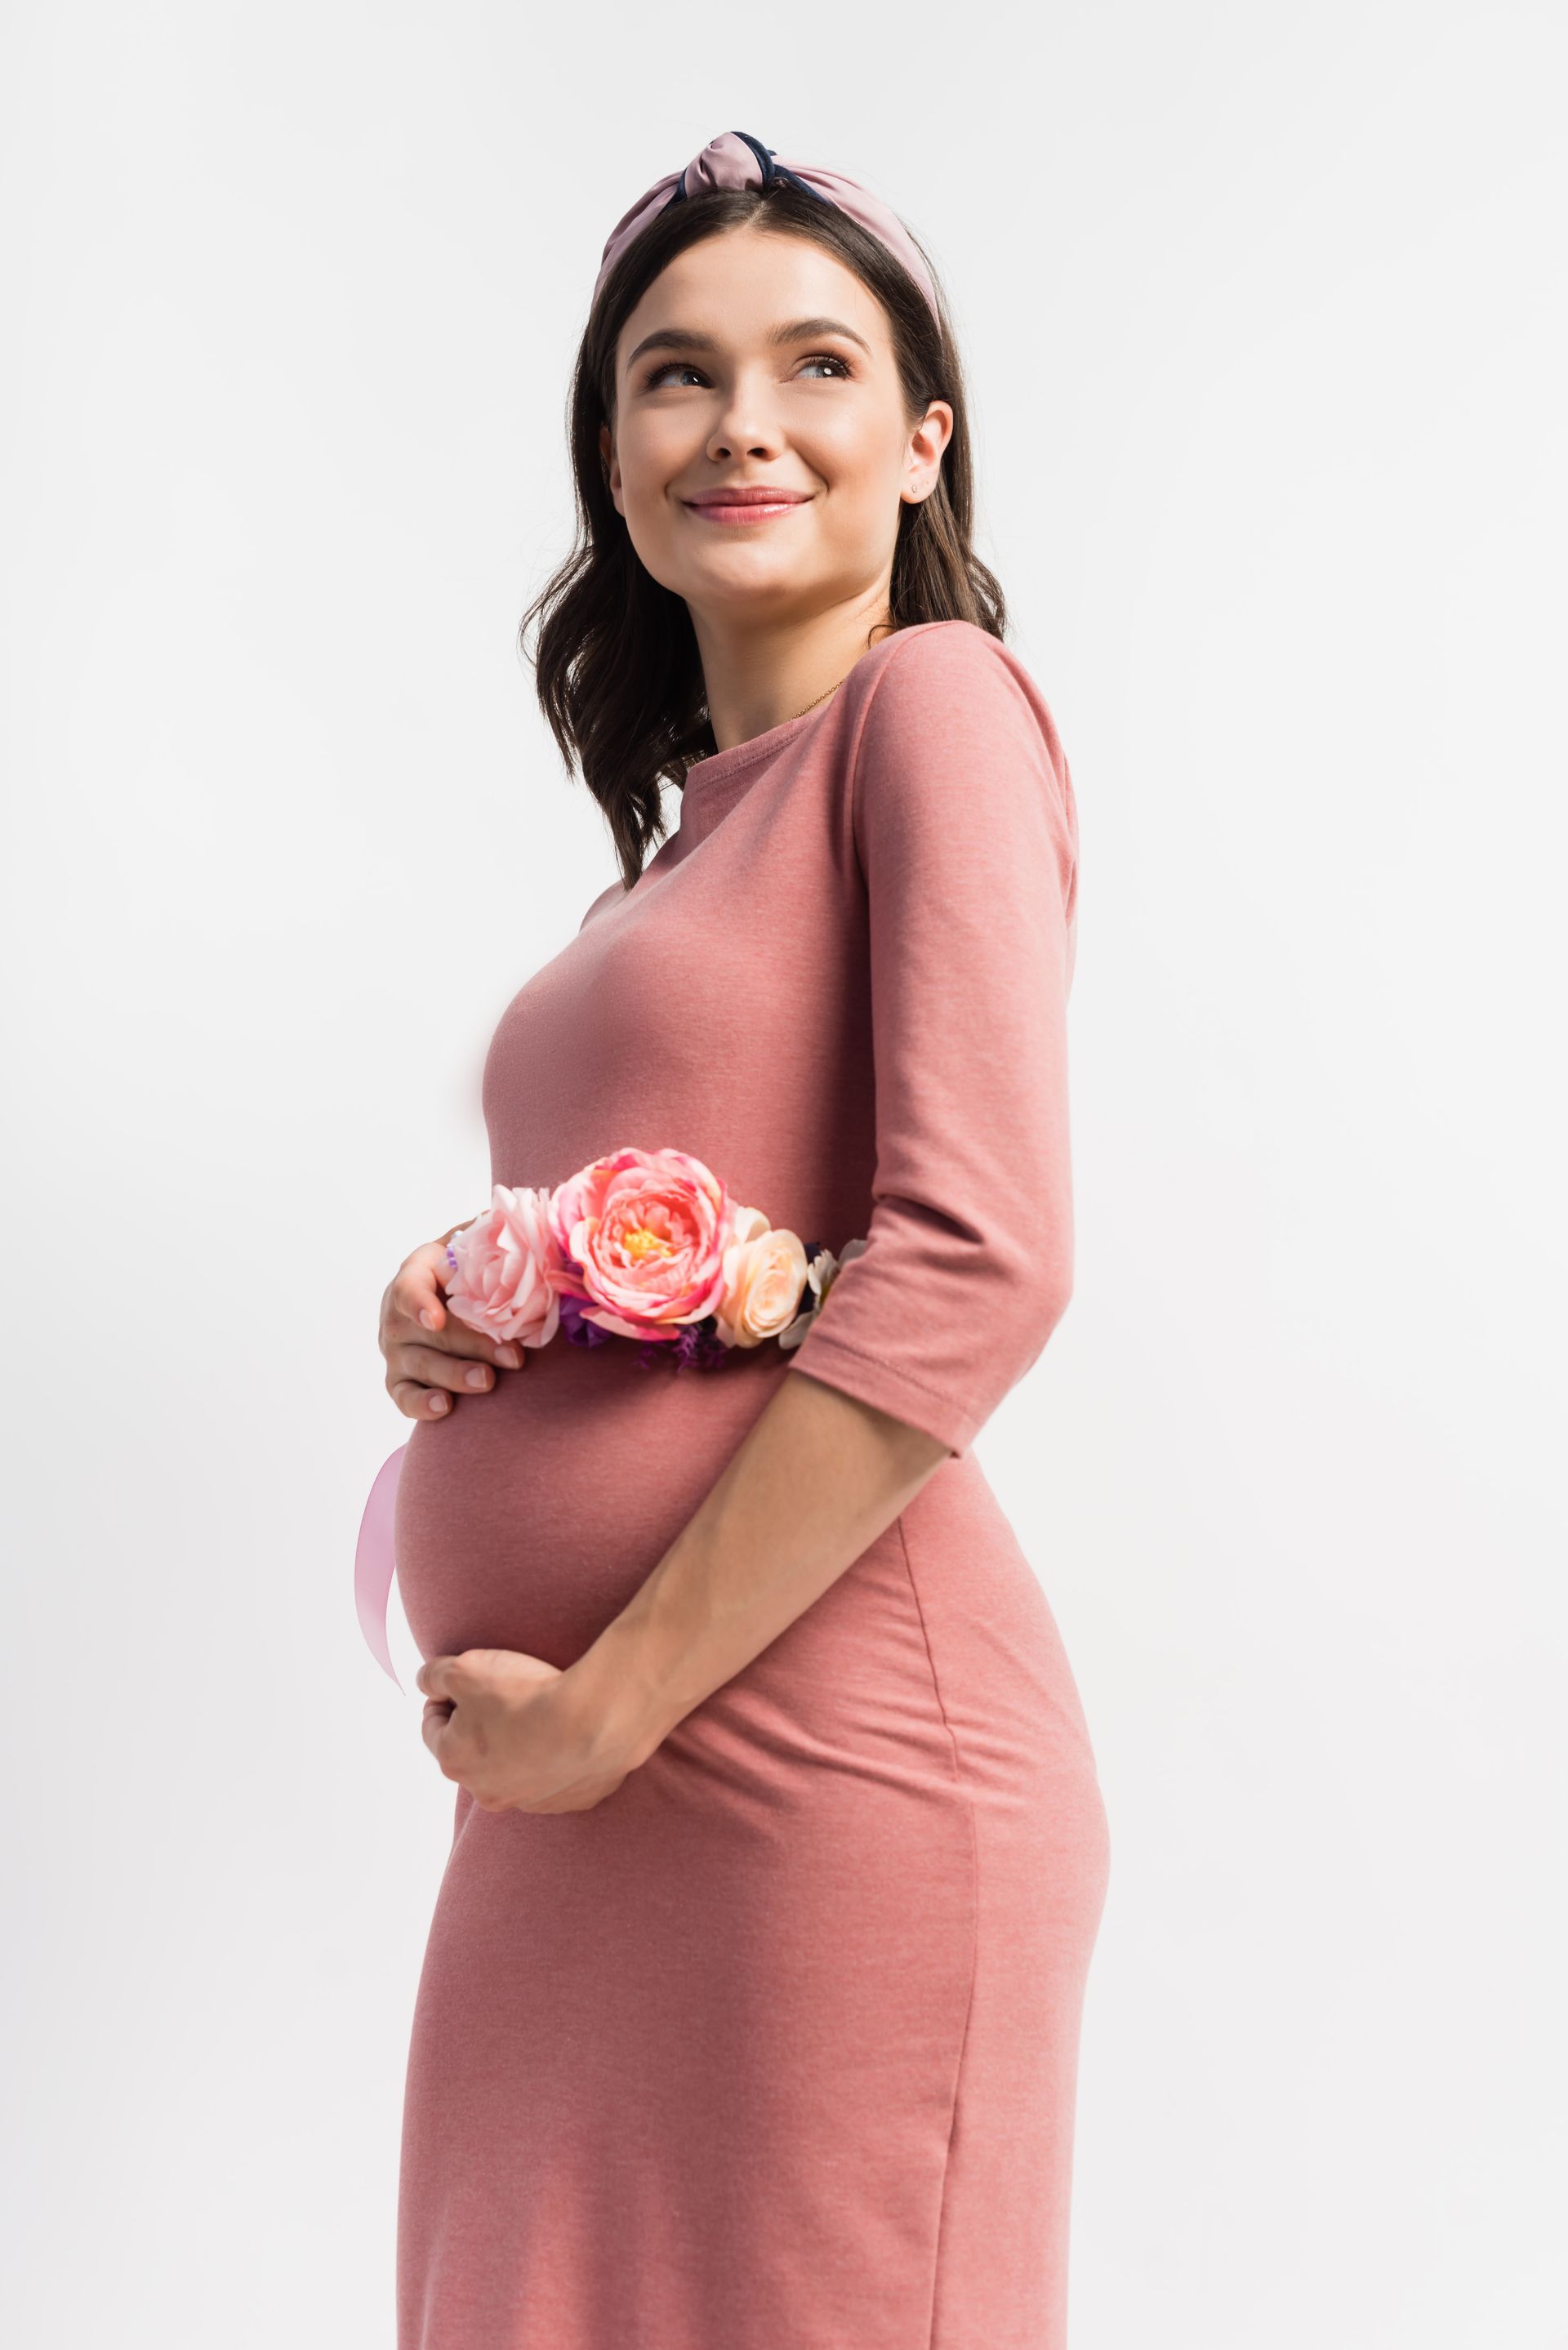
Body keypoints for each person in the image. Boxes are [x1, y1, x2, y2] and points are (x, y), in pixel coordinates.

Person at [376, 128, 1111, 2350]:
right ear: (614, 454)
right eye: (676, 376)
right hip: (570, 1800)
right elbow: (706, 1216)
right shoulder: (671, 863)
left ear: (923, 438)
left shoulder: (939, 706)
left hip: (818, 1779)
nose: (746, 423)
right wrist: (461, 1309)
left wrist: (608, 1707)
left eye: (817, 363)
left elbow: (979, 1259)